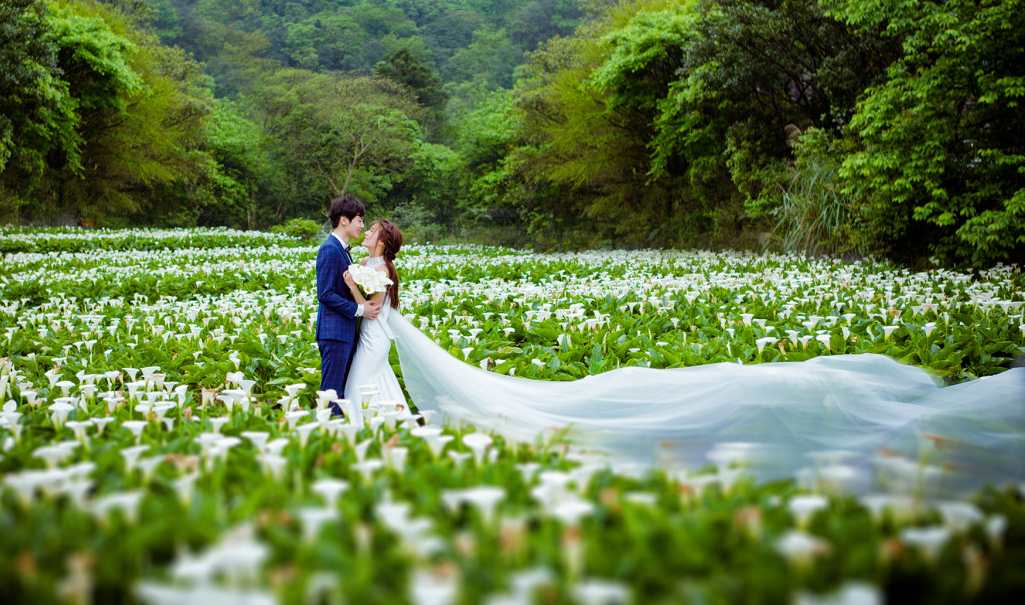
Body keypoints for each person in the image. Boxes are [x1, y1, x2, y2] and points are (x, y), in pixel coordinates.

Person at [336, 220, 1025, 494]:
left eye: (370, 244)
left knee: (390, 385)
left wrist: (358, 292)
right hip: (376, 337)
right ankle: (378, 427)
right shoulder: (384, 272)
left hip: (374, 334)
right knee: (385, 384)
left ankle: (376, 430)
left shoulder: (379, 274)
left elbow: (372, 308)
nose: (365, 245)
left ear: (381, 251)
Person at [315, 195, 381, 415]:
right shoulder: (330, 249)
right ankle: (327, 436)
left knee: (338, 393)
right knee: (331, 394)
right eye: (359, 220)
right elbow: (325, 294)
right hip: (334, 334)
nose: (362, 226)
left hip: (343, 332)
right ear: (344, 220)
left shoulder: (341, 250)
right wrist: (360, 309)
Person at [341, 219, 409, 411]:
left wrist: (353, 287)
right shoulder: (365, 263)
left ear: (381, 241)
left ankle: (365, 429)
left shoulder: (383, 270)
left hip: (375, 337)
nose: (367, 233)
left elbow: (372, 311)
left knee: (357, 389)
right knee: (378, 385)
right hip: (363, 334)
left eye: (372, 231)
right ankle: (392, 422)